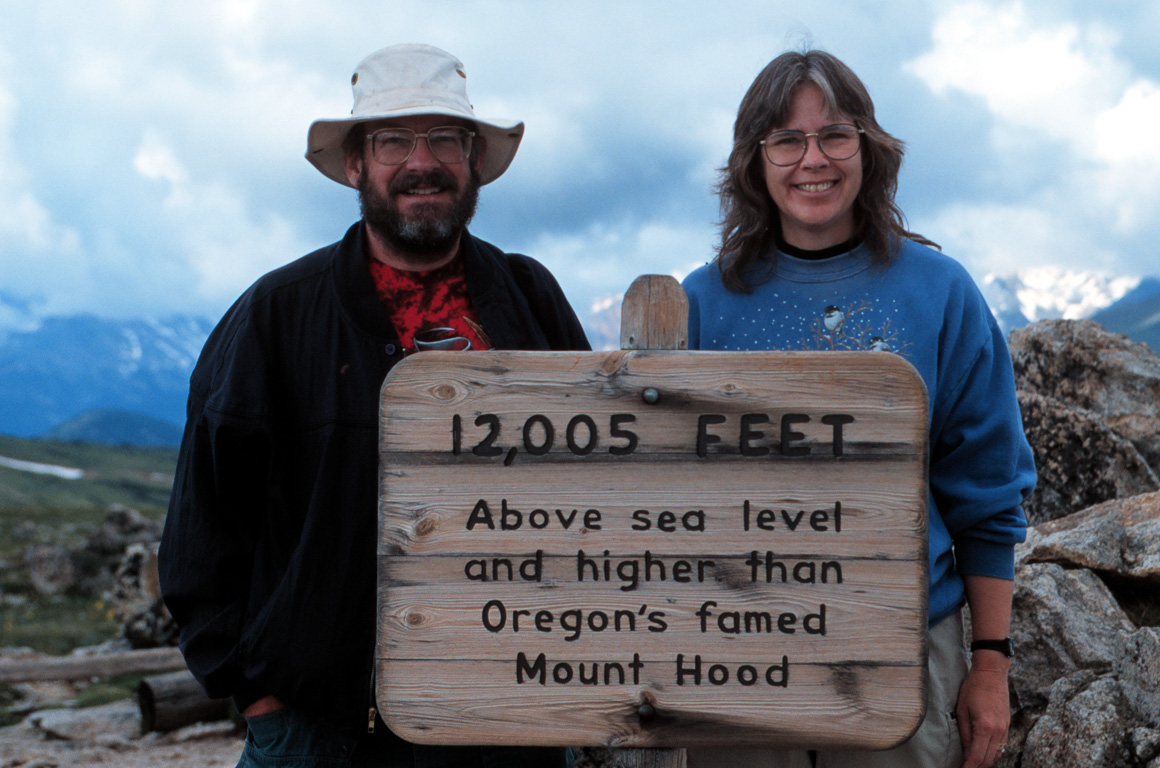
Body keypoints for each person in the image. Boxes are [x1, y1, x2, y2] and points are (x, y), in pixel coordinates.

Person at [159, 44, 587, 768]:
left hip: (510, 714)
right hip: (323, 730)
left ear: (474, 161)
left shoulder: (528, 298)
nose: (422, 162)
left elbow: (602, 479)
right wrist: (257, 693)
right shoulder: (277, 315)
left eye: (445, 139)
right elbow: (204, 522)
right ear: (356, 164)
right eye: (393, 140)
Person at [681, 50, 1035, 768]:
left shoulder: (939, 291)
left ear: (869, 149)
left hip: (900, 645)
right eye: (787, 140)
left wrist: (990, 664)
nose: (814, 159)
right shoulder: (700, 302)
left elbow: (987, 491)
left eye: (835, 135)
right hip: (736, 653)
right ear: (754, 162)